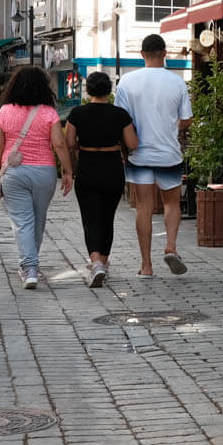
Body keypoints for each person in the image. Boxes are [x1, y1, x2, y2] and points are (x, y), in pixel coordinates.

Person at [114, 34, 192, 277]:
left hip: (139, 155)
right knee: (171, 204)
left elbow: (120, 120)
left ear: (142, 54)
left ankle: (146, 266)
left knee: (143, 208)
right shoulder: (177, 82)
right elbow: (187, 120)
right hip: (169, 154)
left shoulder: (127, 82)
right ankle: (170, 246)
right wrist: (171, 126)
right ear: (164, 53)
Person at [0, 66, 74, 288]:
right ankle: (30, 265)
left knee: (22, 222)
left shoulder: (5, 112)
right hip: (44, 172)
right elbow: (58, 143)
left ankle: (29, 267)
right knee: (37, 221)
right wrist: (67, 171)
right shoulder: (49, 113)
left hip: (13, 172)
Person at [65, 71, 139, 288]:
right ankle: (102, 263)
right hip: (112, 167)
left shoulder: (77, 113)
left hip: (87, 167)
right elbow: (133, 144)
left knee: (90, 219)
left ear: (88, 90)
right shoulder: (120, 114)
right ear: (109, 91)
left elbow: (68, 142)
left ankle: (96, 261)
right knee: (107, 218)